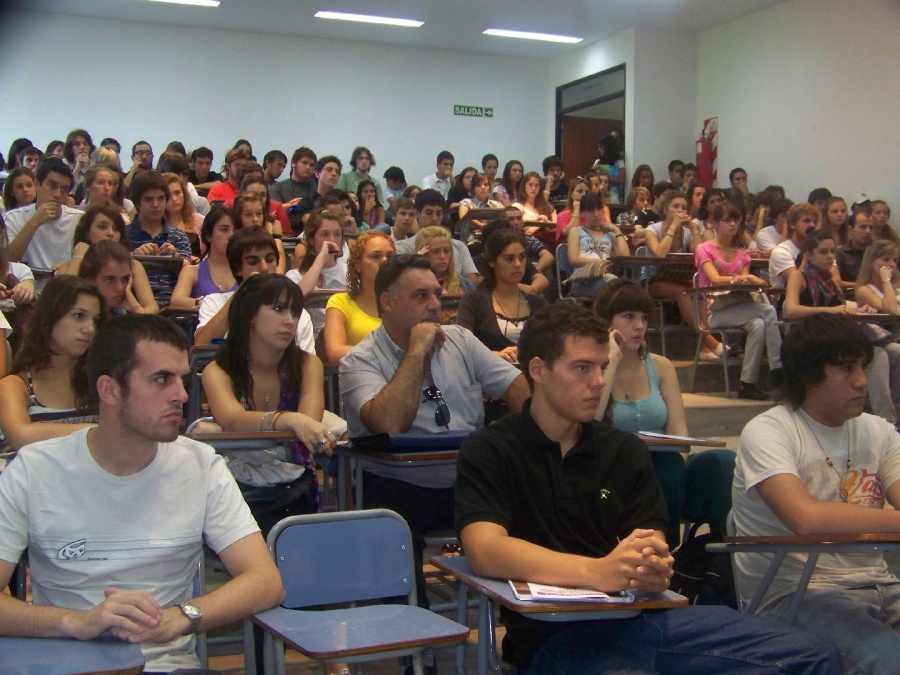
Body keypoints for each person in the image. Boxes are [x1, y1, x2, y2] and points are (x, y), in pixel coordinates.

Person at [455, 301, 841, 674]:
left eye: (603, 367)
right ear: (539, 370)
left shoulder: (622, 449)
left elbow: (650, 537)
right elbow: (485, 549)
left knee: (813, 657)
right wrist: (598, 572)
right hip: (556, 636)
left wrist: (652, 565)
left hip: (645, 619)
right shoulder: (491, 449)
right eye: (582, 368)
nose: (599, 381)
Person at [0, 313, 285, 672]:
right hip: (68, 665)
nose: (182, 395)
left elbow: (265, 581)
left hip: (170, 666)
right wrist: (76, 622)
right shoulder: (34, 470)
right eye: (161, 380)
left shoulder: (200, 465)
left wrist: (182, 617)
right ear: (109, 390)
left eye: (182, 379)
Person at [340, 254, 530, 609]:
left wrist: (527, 441)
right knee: (391, 529)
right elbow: (389, 423)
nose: (433, 305)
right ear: (387, 302)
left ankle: (524, 620)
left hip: (466, 480)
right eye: (420, 296)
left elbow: (518, 387)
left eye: (436, 294)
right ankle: (413, 635)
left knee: (535, 509)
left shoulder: (461, 339)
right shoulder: (360, 359)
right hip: (397, 483)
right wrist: (416, 351)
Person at [732, 313, 900, 673]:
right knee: (891, 662)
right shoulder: (768, 431)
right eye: (846, 368)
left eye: (863, 366)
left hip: (881, 585)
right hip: (794, 593)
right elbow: (805, 518)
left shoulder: (879, 431)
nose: (861, 380)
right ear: (809, 374)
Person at [593, 278, 736, 546]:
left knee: (721, 462)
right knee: (656, 472)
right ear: (606, 321)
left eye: (644, 318)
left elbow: (679, 435)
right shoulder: (593, 368)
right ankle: (661, 552)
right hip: (613, 469)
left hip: (664, 467)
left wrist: (676, 467)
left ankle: (719, 556)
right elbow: (591, 424)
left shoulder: (661, 366)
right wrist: (610, 360)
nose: (639, 326)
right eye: (628, 316)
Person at [202, 274, 343, 535]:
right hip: (236, 488)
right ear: (250, 314)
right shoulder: (218, 370)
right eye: (278, 309)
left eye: (295, 312)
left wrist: (294, 421)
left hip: (296, 487)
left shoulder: (308, 364)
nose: (290, 321)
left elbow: (309, 423)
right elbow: (232, 419)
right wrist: (287, 419)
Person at [784, 230, 900, 425]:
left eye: (832, 252)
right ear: (809, 255)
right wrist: (830, 311)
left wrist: (859, 310)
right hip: (810, 338)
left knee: (896, 351)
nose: (830, 256)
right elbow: (791, 310)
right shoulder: (799, 276)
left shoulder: (831, 281)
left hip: (835, 337)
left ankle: (897, 411)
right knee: (877, 355)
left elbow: (842, 308)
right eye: (823, 252)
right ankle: (887, 421)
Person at [0, 276, 106, 452]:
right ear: (49, 318)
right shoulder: (16, 384)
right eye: (78, 316)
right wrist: (100, 432)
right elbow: (21, 436)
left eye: (95, 320)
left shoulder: (101, 380)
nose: (90, 329)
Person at [696, 202, 783, 400]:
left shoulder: (743, 256)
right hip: (714, 310)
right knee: (768, 311)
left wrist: (749, 280)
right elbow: (714, 278)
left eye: (735, 220)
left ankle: (747, 384)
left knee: (759, 324)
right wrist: (745, 278)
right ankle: (778, 368)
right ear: (716, 223)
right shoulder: (704, 248)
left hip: (740, 306)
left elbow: (744, 281)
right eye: (727, 220)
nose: (732, 224)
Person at [194, 228, 313, 352]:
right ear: (237, 269)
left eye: (270, 259)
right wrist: (241, 293)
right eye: (253, 262)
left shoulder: (296, 313)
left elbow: (307, 361)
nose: (264, 268)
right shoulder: (215, 303)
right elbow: (200, 346)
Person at [457, 229, 546, 363]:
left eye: (522, 257)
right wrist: (493, 355)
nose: (518, 264)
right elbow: (461, 345)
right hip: (490, 371)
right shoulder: (474, 300)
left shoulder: (539, 304)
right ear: (492, 261)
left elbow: (554, 346)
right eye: (509, 258)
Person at [323, 230, 394, 363]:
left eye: (390, 256)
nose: (385, 261)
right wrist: (386, 355)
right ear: (358, 264)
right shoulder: (340, 302)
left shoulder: (403, 303)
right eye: (375, 256)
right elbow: (335, 352)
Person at [125, 171, 192, 306]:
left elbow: (188, 275)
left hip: (173, 307)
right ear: (137, 203)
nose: (155, 205)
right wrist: (132, 257)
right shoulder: (124, 235)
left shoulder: (179, 236)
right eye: (148, 199)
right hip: (134, 306)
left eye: (160, 198)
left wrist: (176, 259)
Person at [5, 158, 82, 271]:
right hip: (27, 280)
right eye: (52, 186)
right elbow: (7, 260)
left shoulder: (79, 219)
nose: (57, 194)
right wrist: (35, 222)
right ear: (36, 184)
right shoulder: (13, 218)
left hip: (66, 278)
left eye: (64, 189)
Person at [395, 189, 480, 286]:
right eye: (428, 213)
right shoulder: (402, 246)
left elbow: (473, 281)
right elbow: (401, 283)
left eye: (439, 214)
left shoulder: (459, 246)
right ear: (417, 214)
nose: (434, 218)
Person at [285, 209, 347, 336]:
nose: (332, 240)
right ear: (312, 240)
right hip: (313, 336)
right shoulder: (294, 276)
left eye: (337, 234)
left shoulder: (350, 272)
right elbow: (296, 300)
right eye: (325, 234)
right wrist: (321, 258)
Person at [169, 206, 239, 310]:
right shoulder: (191, 271)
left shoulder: (244, 270)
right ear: (208, 235)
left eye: (235, 230)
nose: (231, 235)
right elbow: (176, 301)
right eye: (224, 230)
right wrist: (205, 302)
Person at [566, 192, 629, 296]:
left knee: (620, 286)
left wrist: (617, 230)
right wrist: (601, 262)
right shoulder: (576, 231)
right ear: (583, 213)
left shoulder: (609, 233)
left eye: (599, 209)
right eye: (591, 211)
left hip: (605, 277)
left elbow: (625, 257)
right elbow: (573, 260)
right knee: (617, 286)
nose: (596, 214)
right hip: (583, 279)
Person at [79, 240, 158, 315]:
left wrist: (136, 308)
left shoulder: (121, 312)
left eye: (124, 279)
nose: (120, 288)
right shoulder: (78, 314)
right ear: (90, 280)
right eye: (109, 280)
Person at [233, 191, 286, 274]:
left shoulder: (276, 243)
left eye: (259, 213)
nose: (255, 219)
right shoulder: (232, 245)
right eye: (248, 214)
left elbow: (278, 277)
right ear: (238, 217)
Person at [769, 202, 819, 289]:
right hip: (786, 296)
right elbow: (798, 284)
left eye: (814, 222)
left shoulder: (820, 249)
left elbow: (835, 280)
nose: (812, 225)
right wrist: (807, 254)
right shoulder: (781, 252)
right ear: (792, 224)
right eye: (806, 221)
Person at [415, 226, 474, 297]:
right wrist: (417, 261)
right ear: (423, 254)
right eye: (435, 251)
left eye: (446, 251)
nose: (442, 256)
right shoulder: (412, 284)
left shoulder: (465, 284)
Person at [297, 155, 342, 226]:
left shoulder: (343, 199)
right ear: (317, 174)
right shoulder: (307, 202)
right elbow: (313, 226)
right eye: (329, 170)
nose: (334, 174)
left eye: (337, 172)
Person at [835, 206, 874, 286]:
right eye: (863, 227)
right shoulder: (840, 254)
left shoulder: (878, 252)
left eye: (871, 227)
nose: (868, 231)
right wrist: (864, 287)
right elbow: (836, 282)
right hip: (851, 293)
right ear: (850, 229)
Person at [554, 178, 589, 242]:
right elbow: (568, 235)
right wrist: (576, 211)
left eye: (587, 192)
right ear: (571, 195)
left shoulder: (596, 214)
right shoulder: (562, 216)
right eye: (580, 191)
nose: (584, 194)